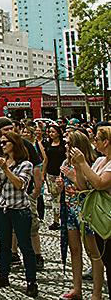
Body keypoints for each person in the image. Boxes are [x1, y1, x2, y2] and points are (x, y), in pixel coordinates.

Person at [0, 131, 38, 298]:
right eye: (1, 143)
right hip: (1, 208)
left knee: (25, 246)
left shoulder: (26, 164)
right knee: (4, 245)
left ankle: (31, 281)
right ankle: (3, 275)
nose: (2, 146)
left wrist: (5, 169)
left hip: (19, 209)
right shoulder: (2, 161)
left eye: (5, 143)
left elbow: (20, 185)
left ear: (14, 144)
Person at [59, 129, 103, 300]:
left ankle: (96, 293)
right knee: (74, 249)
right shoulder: (66, 161)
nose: (66, 147)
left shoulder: (89, 162)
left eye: (68, 144)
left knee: (93, 251)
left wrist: (74, 172)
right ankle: (76, 287)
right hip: (70, 209)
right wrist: (60, 185)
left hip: (86, 210)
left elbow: (85, 188)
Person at [72, 125, 111, 297]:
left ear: (106, 142)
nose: (94, 141)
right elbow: (83, 186)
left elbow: (100, 183)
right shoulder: (99, 161)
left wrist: (82, 163)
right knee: (106, 258)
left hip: (108, 215)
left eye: (96, 138)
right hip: (98, 217)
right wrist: (79, 169)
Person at [39, 124, 66, 231]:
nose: (51, 134)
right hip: (50, 173)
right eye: (49, 132)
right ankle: (56, 220)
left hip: (61, 173)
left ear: (58, 133)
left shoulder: (63, 144)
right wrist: (43, 173)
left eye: (53, 132)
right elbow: (46, 159)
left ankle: (62, 217)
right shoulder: (48, 144)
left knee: (61, 197)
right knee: (54, 197)